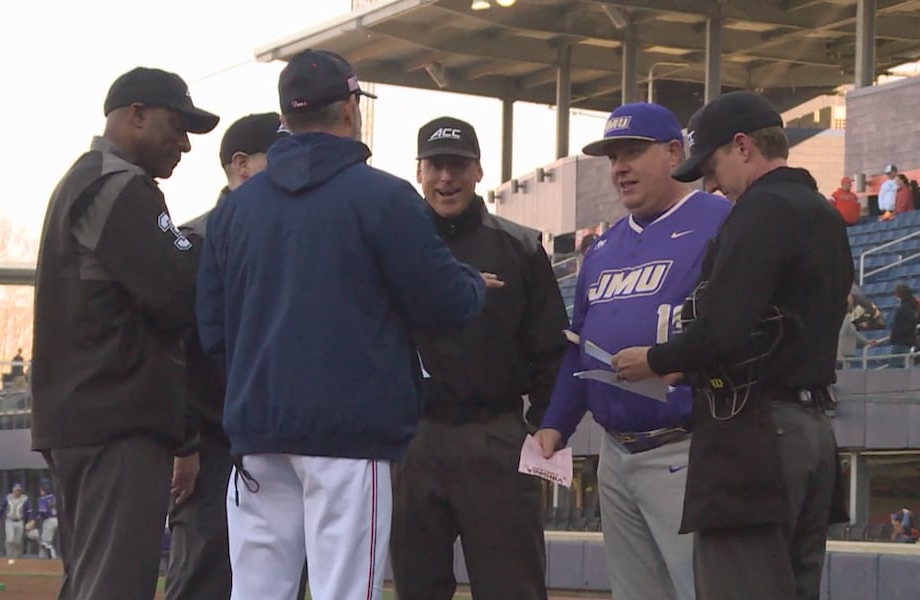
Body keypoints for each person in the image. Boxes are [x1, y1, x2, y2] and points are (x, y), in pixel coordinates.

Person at [195, 49, 487, 600]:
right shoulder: (382, 196)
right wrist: (471, 281)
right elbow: (446, 303)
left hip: (258, 432)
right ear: (350, 108)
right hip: (349, 435)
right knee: (345, 592)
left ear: (284, 116)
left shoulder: (236, 208)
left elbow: (211, 330)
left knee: (257, 592)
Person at [611, 91, 851, 600]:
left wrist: (658, 360)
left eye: (713, 165)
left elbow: (723, 328)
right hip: (812, 432)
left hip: (756, 433)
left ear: (742, 147)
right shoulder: (822, 212)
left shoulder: (759, 210)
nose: (712, 184)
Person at [31, 66, 219, 600]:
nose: (183, 143)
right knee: (115, 586)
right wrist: (216, 246)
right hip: (114, 418)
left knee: (94, 581)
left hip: (89, 415)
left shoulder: (87, 180)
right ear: (135, 115)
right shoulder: (117, 187)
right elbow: (175, 291)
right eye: (175, 125)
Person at [535, 102, 732, 600]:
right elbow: (578, 347)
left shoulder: (718, 218)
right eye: (612, 157)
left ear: (673, 152)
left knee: (702, 589)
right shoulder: (602, 249)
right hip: (615, 453)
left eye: (632, 153)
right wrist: (555, 423)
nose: (619, 167)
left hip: (687, 445)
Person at [388, 116, 567, 600]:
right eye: (436, 165)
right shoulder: (391, 243)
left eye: (458, 165)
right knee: (416, 587)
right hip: (412, 439)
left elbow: (552, 348)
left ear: (479, 171)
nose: (446, 178)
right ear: (419, 171)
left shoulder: (520, 246)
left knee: (512, 587)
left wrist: (547, 425)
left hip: (496, 435)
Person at [164, 112, 289, 600]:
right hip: (214, 443)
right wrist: (186, 443)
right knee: (204, 573)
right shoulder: (194, 240)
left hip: (281, 438)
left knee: (280, 578)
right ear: (241, 165)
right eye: (277, 157)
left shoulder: (293, 237)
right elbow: (176, 350)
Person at [0, 482, 31, 559]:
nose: (17, 492)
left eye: (19, 490)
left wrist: (29, 521)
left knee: (18, 541)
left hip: (19, 521)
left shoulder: (24, 499)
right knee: (10, 539)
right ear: (13, 490)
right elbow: (2, 508)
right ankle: (9, 555)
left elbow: (28, 511)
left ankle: (18, 556)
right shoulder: (8, 497)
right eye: (16, 490)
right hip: (10, 520)